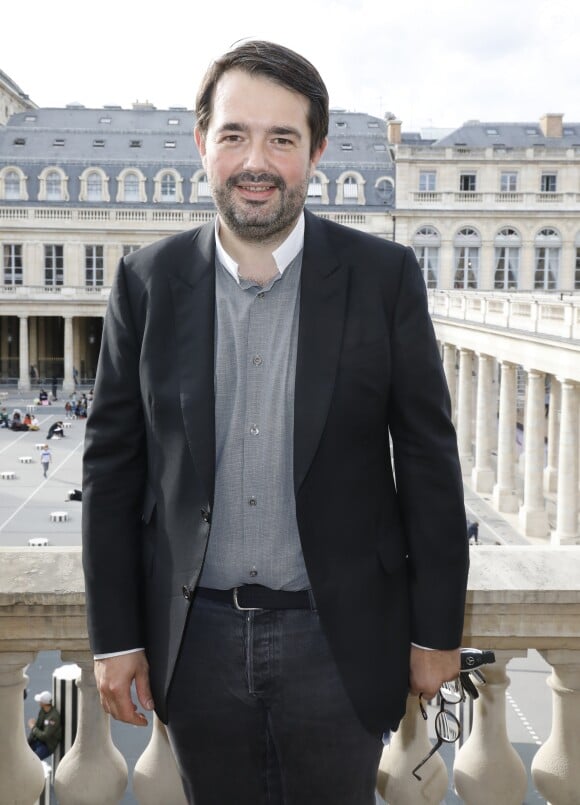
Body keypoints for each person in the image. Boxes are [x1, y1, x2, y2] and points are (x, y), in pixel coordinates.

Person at [82, 40, 469, 805]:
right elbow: (111, 467)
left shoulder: (382, 277)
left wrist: (436, 634)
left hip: (340, 640)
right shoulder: (146, 281)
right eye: (234, 135)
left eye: (281, 139)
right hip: (198, 644)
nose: (254, 160)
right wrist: (118, 637)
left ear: (316, 151)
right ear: (202, 145)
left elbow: (428, 460)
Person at [27, 690, 62, 760]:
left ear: (43, 703)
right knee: (23, 754)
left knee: (33, 760)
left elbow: (45, 736)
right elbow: (38, 725)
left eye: (40, 701)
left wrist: (33, 728)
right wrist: (28, 742)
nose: (39, 702)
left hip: (47, 745)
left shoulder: (53, 717)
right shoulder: (43, 711)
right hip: (39, 741)